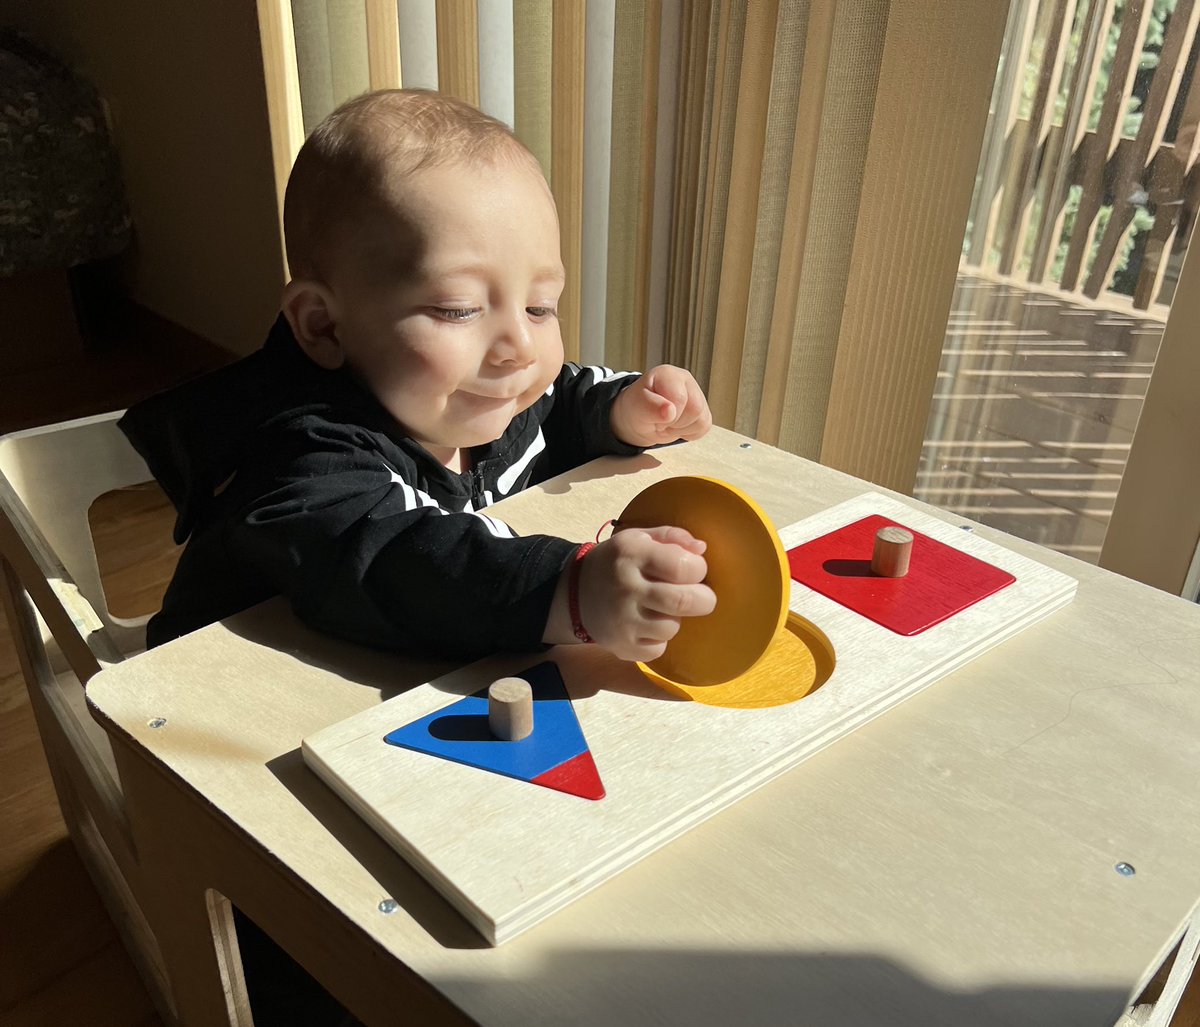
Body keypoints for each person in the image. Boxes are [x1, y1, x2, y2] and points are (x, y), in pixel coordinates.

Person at [119, 87, 717, 667]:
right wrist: (571, 590)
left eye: (539, 307)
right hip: (228, 724)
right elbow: (404, 563)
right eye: (458, 309)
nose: (518, 348)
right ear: (325, 326)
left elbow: (558, 400)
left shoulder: (469, 393)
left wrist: (619, 412)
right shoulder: (303, 460)